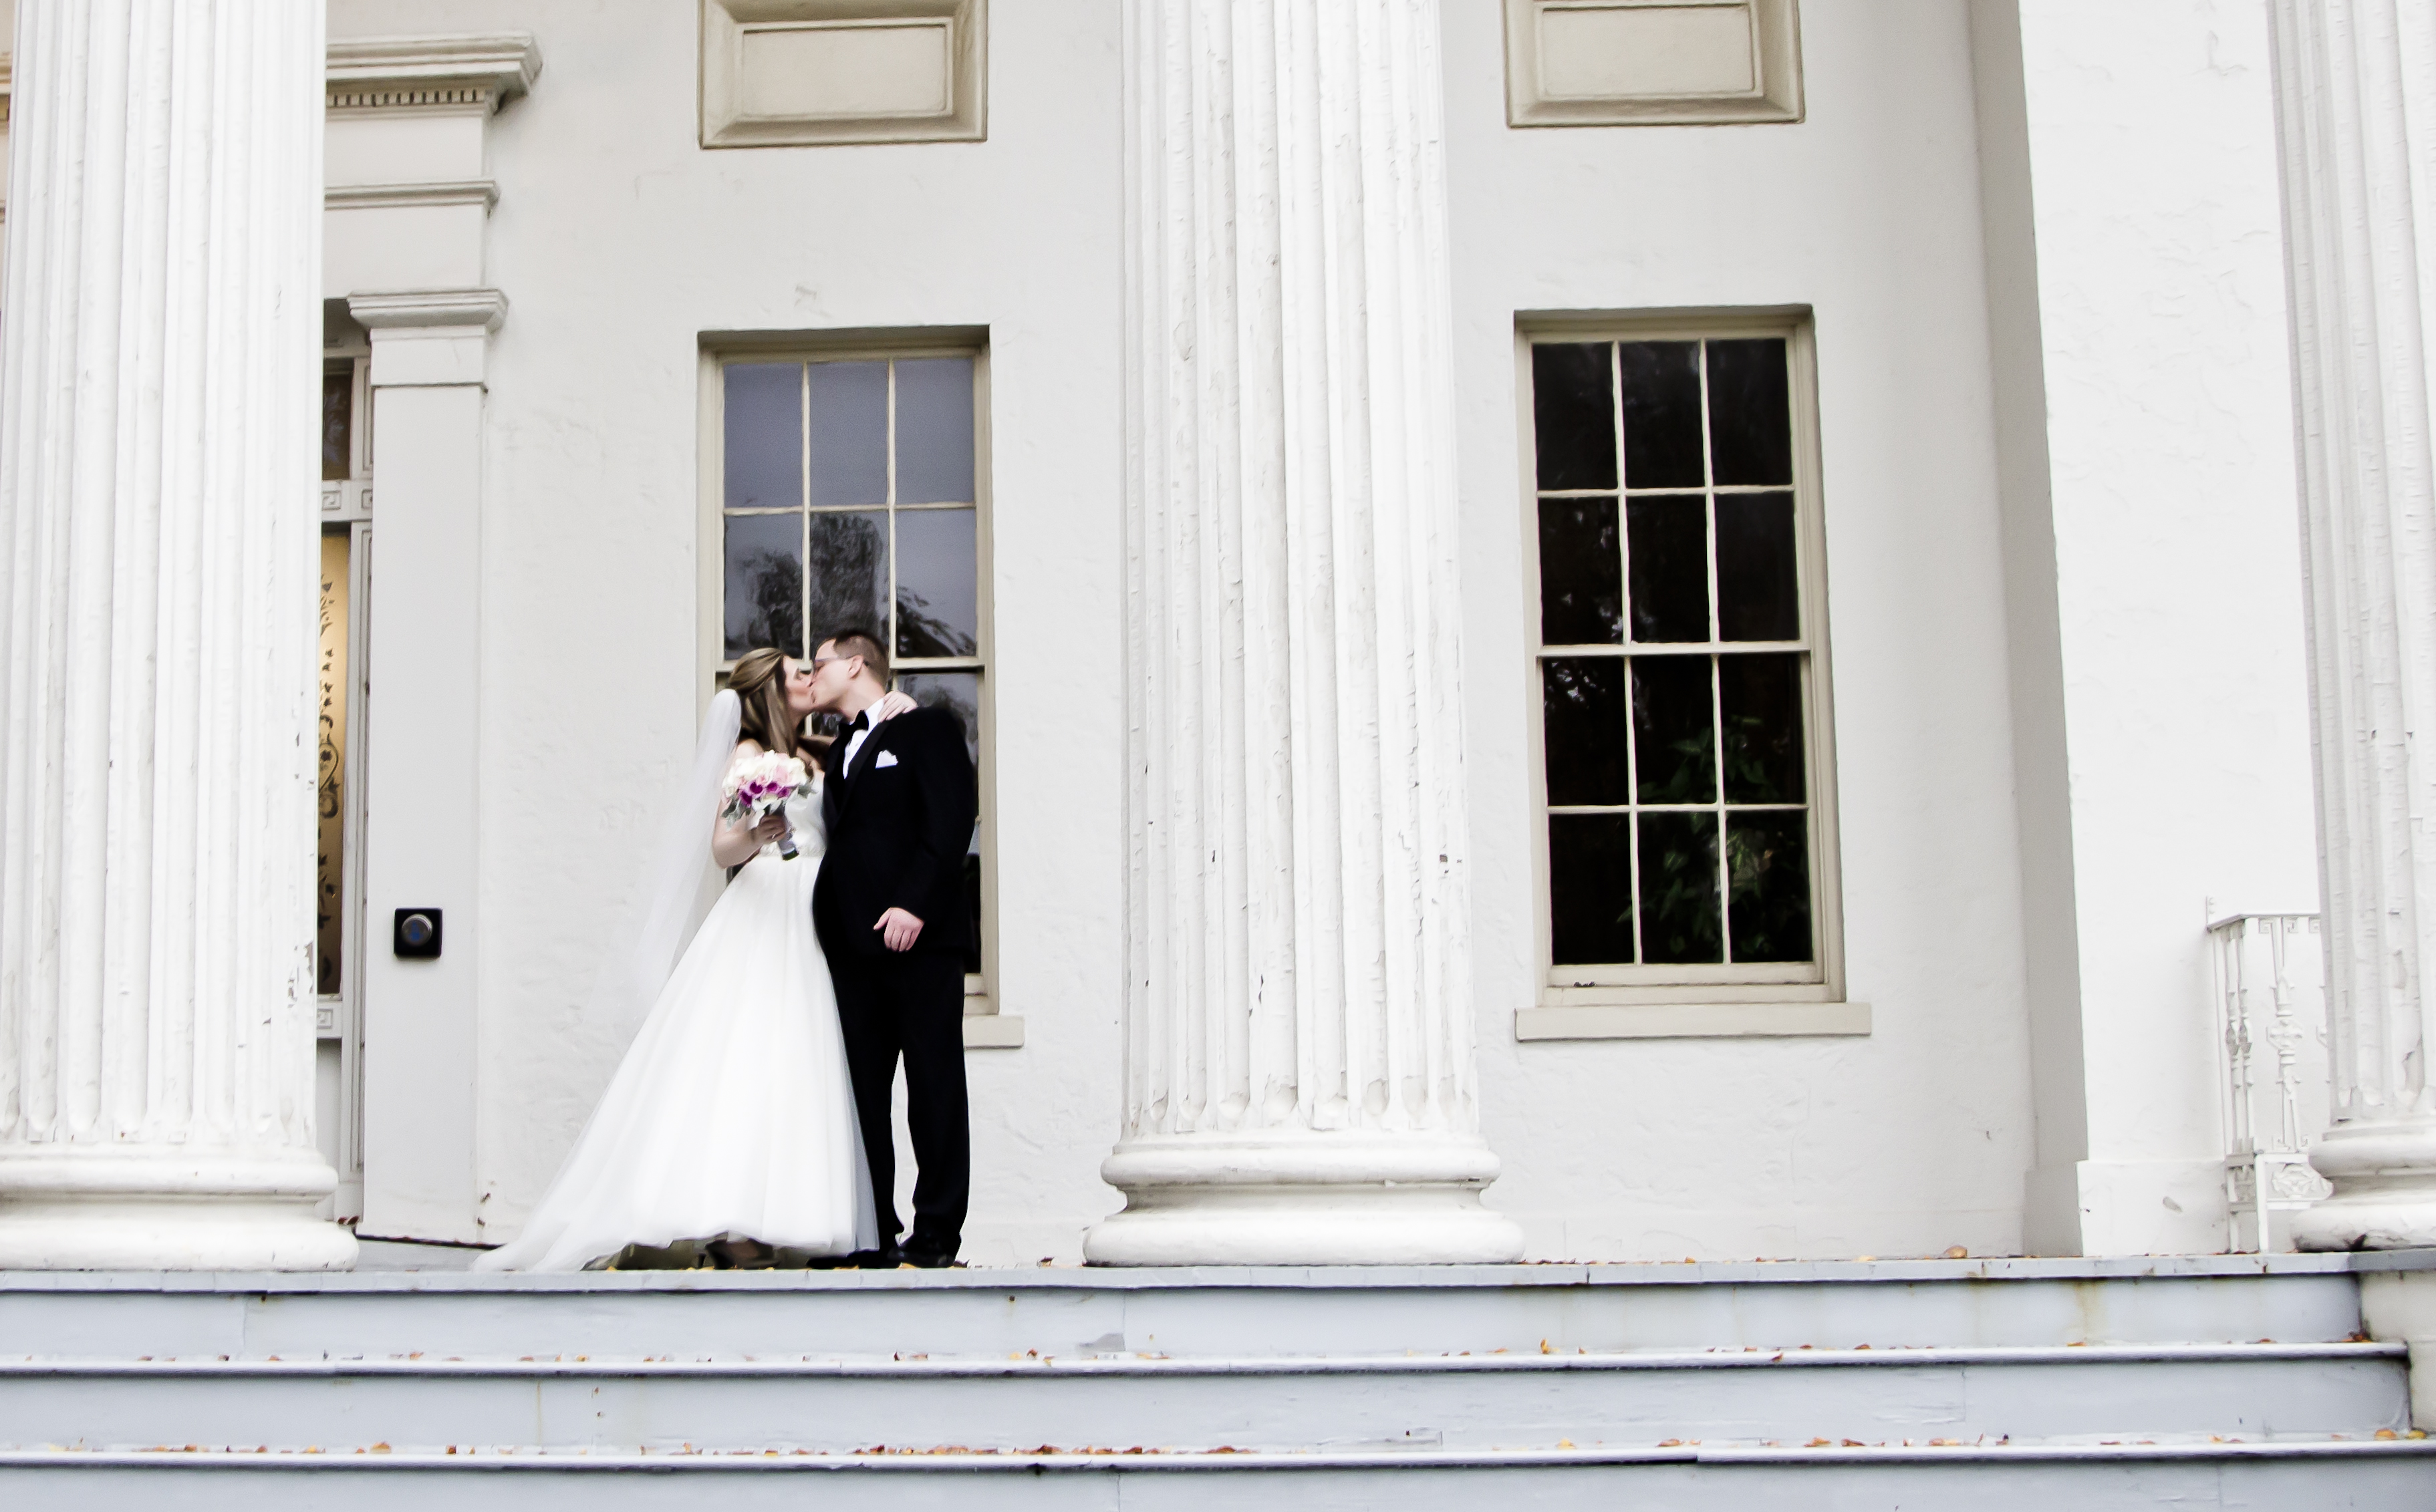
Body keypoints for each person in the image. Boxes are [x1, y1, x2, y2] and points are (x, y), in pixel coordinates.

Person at [475, 649, 913, 1271]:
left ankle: (787, 1212)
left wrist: (900, 706)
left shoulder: (820, 749)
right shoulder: (748, 755)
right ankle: (730, 1219)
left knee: (802, 1060)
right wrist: (757, 833)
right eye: (798, 673)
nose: (810, 678)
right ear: (770, 690)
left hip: (815, 913)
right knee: (748, 1056)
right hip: (767, 907)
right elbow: (721, 848)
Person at [807, 629, 979, 1268]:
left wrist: (914, 902)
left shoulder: (926, 727)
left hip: (921, 943)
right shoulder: (838, 750)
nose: (811, 675)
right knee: (861, 1096)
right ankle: (873, 1229)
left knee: (933, 1085)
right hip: (852, 949)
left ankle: (936, 1232)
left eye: (819, 664)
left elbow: (951, 818)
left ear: (856, 663)